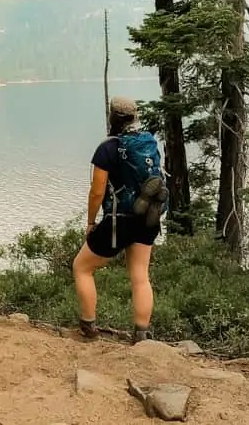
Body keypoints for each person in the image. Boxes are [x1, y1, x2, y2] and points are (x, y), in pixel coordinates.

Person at [72, 95, 167, 343]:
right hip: (147, 218)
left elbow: (97, 191)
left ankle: (88, 326)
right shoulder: (147, 143)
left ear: (112, 117)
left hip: (119, 221)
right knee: (140, 276)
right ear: (135, 117)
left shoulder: (108, 148)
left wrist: (91, 222)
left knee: (82, 267)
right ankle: (142, 334)